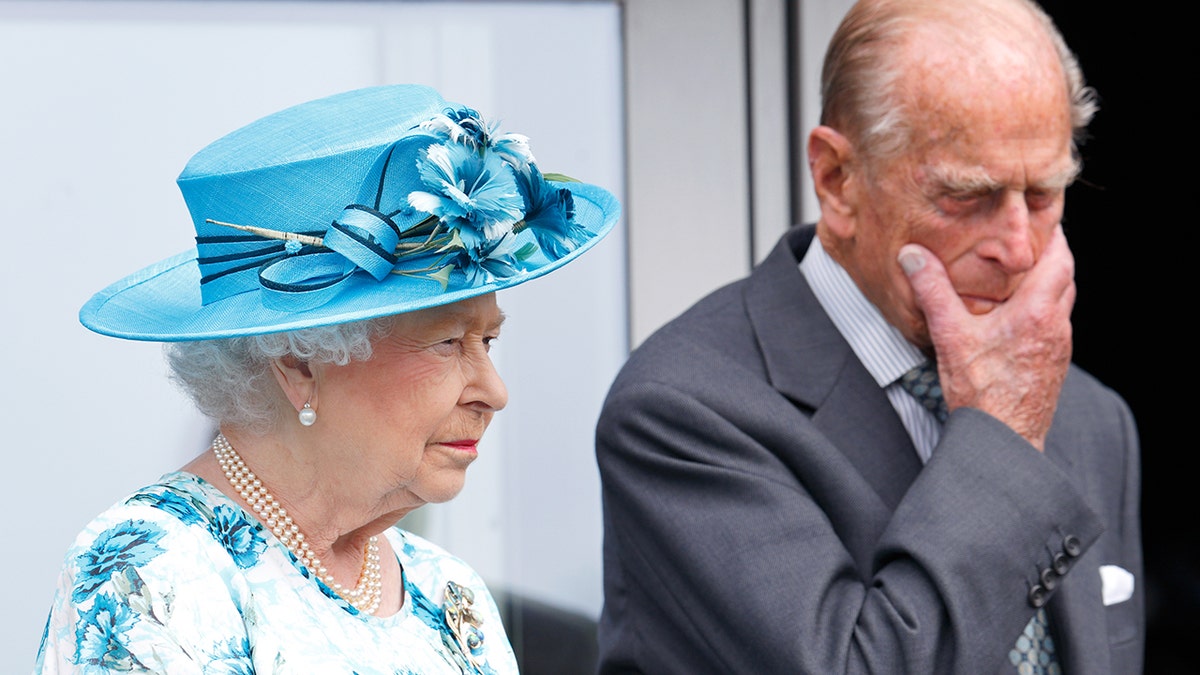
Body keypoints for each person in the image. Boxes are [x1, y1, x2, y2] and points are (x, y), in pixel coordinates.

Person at [595, 0, 1142, 673]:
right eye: (967, 196)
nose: (1019, 248)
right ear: (837, 179)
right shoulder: (683, 410)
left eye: (1044, 194)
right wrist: (1002, 434)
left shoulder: (1092, 419)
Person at [36, 84, 618, 673]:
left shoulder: (449, 594)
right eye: (447, 344)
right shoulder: (156, 573)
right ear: (300, 364)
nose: (494, 393)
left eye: (487, 341)